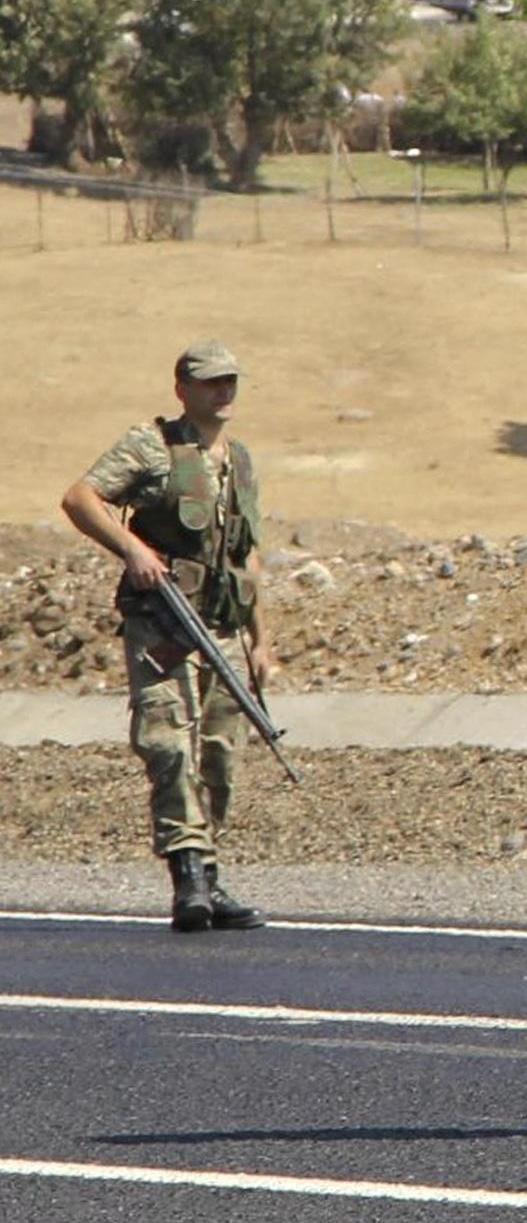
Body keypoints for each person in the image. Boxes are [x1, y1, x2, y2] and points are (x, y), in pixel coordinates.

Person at [60, 342, 275, 934]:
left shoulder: (242, 460)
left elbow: (246, 558)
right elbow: (81, 498)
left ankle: (211, 870)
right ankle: (189, 880)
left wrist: (262, 641)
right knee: (169, 745)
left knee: (221, 755)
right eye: (210, 383)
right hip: (165, 625)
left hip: (224, 628)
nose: (222, 392)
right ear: (182, 388)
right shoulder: (152, 446)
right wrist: (131, 548)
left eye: (229, 381)